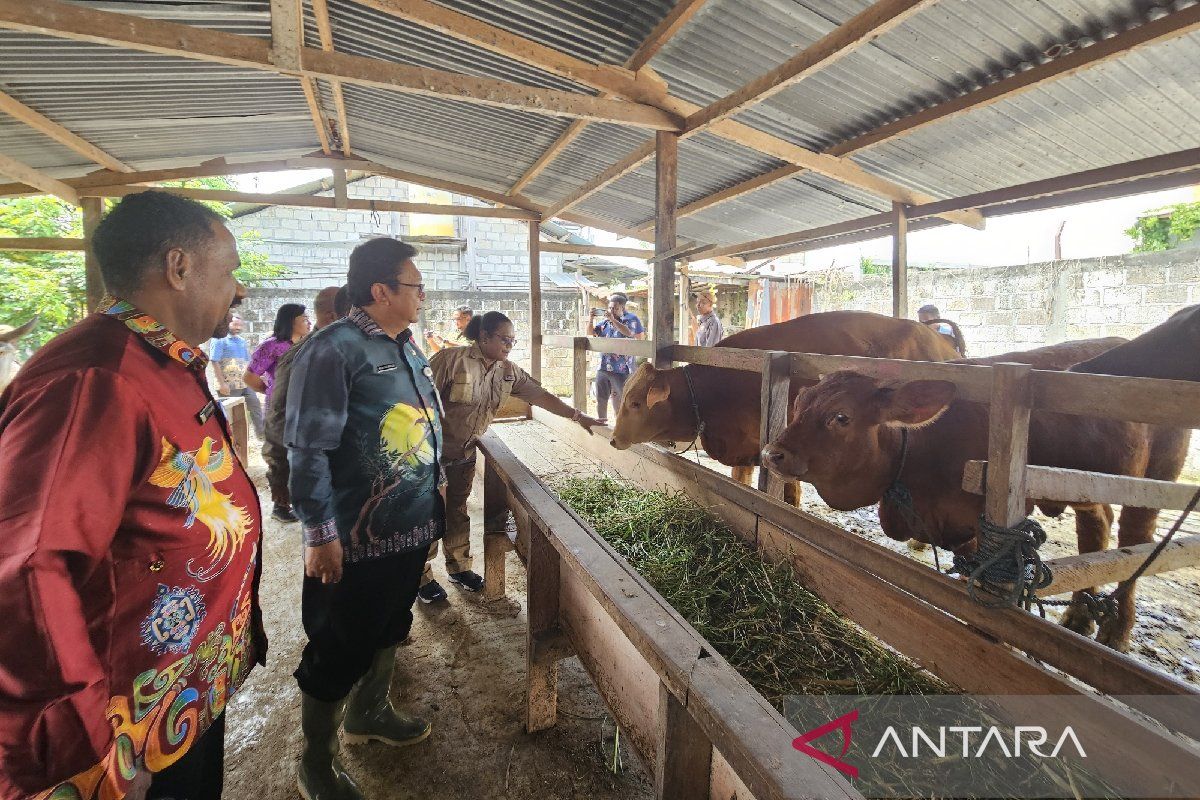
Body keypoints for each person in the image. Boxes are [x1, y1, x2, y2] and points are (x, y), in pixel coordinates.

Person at [0, 190, 265, 800]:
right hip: (119, 731)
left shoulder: (161, 360)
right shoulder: (95, 378)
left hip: (175, 702)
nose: (241, 289)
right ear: (178, 267)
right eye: (230, 272)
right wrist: (86, 741)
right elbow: (26, 564)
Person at [285, 238, 443, 800]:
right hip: (355, 536)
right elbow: (308, 448)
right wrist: (319, 534)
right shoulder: (334, 349)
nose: (423, 294)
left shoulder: (406, 343)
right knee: (337, 646)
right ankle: (317, 763)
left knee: (390, 622)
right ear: (382, 291)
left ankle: (369, 711)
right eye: (415, 285)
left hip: (409, 526)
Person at [418, 311, 602, 602]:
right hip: (431, 458)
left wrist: (578, 416)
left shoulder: (508, 372)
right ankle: (421, 577)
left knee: (456, 511)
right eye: (504, 339)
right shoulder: (450, 360)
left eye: (513, 341)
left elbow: (539, 395)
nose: (509, 345)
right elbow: (419, 404)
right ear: (484, 337)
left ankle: (459, 567)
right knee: (428, 516)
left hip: (463, 455)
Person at [261, 286, 349, 525]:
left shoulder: (353, 348)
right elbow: (278, 415)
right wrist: (279, 475)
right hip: (322, 474)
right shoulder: (305, 354)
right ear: (334, 314)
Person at [589, 292, 645, 423]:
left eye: (615, 308)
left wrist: (613, 321)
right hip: (604, 365)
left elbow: (629, 333)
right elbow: (591, 333)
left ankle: (625, 426)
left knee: (623, 399)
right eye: (610, 308)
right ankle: (601, 423)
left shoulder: (631, 319)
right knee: (601, 398)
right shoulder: (605, 323)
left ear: (622, 308)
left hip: (622, 368)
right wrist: (591, 319)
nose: (611, 311)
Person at [244, 302, 311, 405]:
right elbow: (250, 377)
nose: (310, 323)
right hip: (280, 408)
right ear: (291, 321)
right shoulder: (272, 346)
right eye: (305, 319)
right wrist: (272, 392)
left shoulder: (308, 344)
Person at [209, 314, 264, 436]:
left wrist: (257, 376)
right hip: (229, 385)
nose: (238, 327)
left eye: (240, 325)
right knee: (232, 414)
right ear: (228, 323)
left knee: (255, 405)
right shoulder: (219, 340)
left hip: (244, 382)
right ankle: (231, 438)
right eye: (235, 324)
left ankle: (261, 434)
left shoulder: (241, 341)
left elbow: (247, 361)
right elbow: (214, 361)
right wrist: (222, 384)